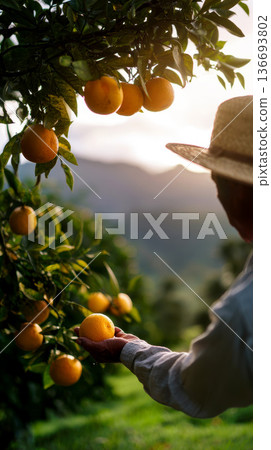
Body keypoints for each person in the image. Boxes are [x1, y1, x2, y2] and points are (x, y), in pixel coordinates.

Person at [75, 96, 253, 418]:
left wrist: (129, 351)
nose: (218, 196)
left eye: (218, 181)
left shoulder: (245, 309)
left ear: (238, 191)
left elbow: (195, 386)